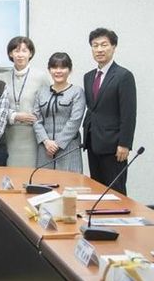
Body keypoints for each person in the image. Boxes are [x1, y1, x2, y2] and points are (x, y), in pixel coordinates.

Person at [83, 28, 136, 195]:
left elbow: (129, 113)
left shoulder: (123, 76)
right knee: (97, 191)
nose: (99, 49)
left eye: (104, 45)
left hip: (114, 146)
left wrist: (125, 144)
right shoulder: (88, 76)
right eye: (95, 45)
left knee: (115, 192)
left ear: (114, 47)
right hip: (92, 142)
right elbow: (93, 109)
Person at [0, 36, 50, 167]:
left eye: (24, 50)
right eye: (16, 51)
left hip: (33, 135)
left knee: (31, 173)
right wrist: (15, 115)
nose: (20, 55)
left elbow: (47, 107)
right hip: (9, 135)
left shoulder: (41, 77)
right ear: (10, 54)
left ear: (30, 53)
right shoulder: (2, 78)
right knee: (10, 173)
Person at [33, 53, 85, 172]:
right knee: (44, 180)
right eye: (54, 67)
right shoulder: (41, 92)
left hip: (68, 147)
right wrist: (46, 141)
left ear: (70, 70)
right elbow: (36, 118)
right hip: (45, 147)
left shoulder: (77, 92)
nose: (58, 71)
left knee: (69, 181)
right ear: (49, 70)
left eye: (63, 67)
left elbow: (75, 120)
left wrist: (57, 144)